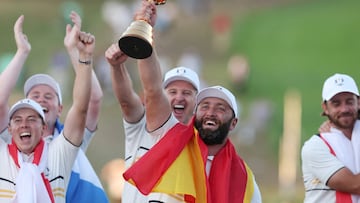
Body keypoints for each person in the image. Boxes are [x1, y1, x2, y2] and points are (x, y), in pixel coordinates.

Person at [117, 0, 262, 202]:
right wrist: (145, 28)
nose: (210, 112)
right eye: (205, 106)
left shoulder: (245, 180)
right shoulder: (172, 137)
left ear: (234, 122)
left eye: (220, 108)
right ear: (196, 113)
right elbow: (152, 89)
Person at [0, 13, 108, 202]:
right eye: (35, 97)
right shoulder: (9, 142)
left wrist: (77, 52)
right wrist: (22, 52)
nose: (41, 100)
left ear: (59, 109)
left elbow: (89, 101)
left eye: (49, 96)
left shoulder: (63, 146)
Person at [105, 44, 200, 202]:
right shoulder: (140, 127)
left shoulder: (201, 147)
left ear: (197, 102)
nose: (179, 98)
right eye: (172, 92)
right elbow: (129, 100)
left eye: (187, 93)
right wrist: (116, 68)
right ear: (162, 97)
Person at [301, 73, 360, 202]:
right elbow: (355, 185)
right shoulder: (315, 146)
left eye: (349, 101)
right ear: (325, 108)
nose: (344, 109)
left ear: (358, 102)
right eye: (336, 103)